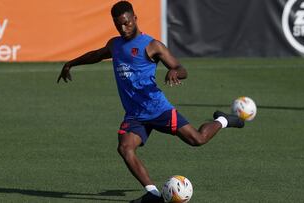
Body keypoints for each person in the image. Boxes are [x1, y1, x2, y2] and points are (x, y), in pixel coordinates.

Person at [57, 1, 244, 202]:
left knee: (197, 139)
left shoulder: (152, 45)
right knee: (125, 148)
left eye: (127, 23)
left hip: (158, 109)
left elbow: (182, 69)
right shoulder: (115, 44)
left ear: (135, 19)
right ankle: (153, 194)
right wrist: (71, 63)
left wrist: (174, 71)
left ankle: (223, 120)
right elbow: (97, 55)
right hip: (135, 115)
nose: (123, 28)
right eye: (118, 24)